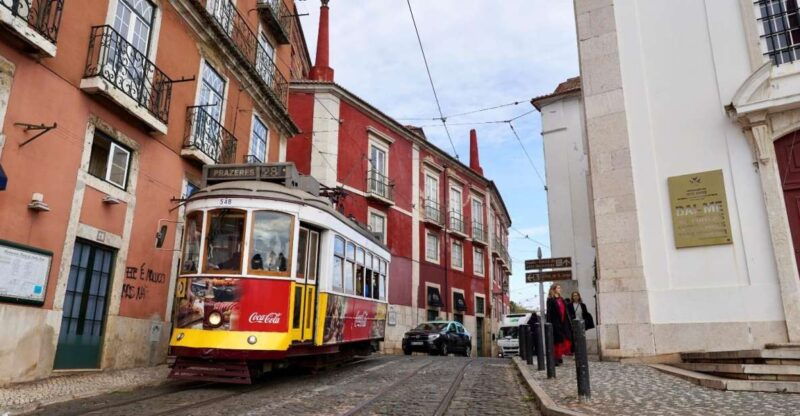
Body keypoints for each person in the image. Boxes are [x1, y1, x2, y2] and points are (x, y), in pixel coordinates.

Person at [546, 283, 572, 365]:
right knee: (557, 341)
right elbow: (549, 312)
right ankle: (556, 358)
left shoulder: (562, 299)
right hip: (555, 323)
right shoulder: (550, 300)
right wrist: (549, 324)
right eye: (558, 288)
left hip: (564, 322)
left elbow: (565, 311)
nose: (560, 289)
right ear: (553, 289)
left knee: (566, 339)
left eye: (560, 288)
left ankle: (559, 356)